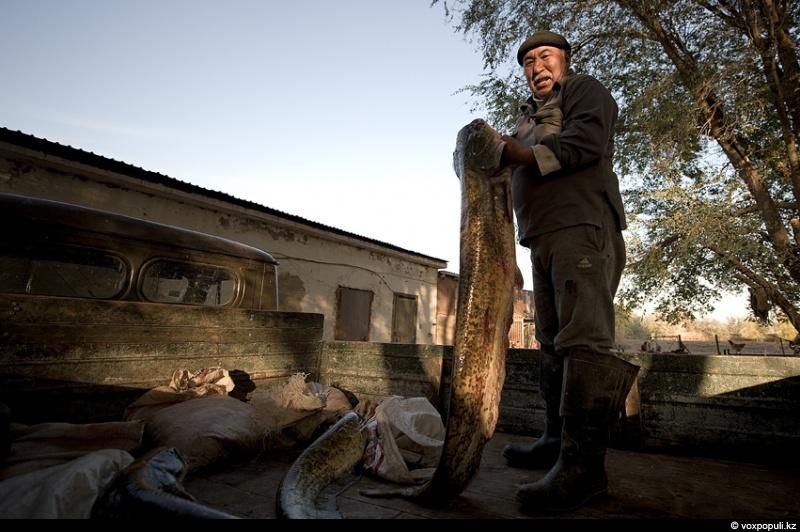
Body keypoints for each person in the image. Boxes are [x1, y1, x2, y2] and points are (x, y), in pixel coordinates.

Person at [496, 30, 639, 512]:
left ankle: (584, 469)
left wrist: (519, 154)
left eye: (546, 56)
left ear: (565, 60)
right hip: (541, 236)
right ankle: (555, 442)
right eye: (528, 61)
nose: (537, 67)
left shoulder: (584, 90)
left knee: (583, 340)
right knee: (552, 341)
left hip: (582, 227)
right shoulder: (526, 117)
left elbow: (585, 143)